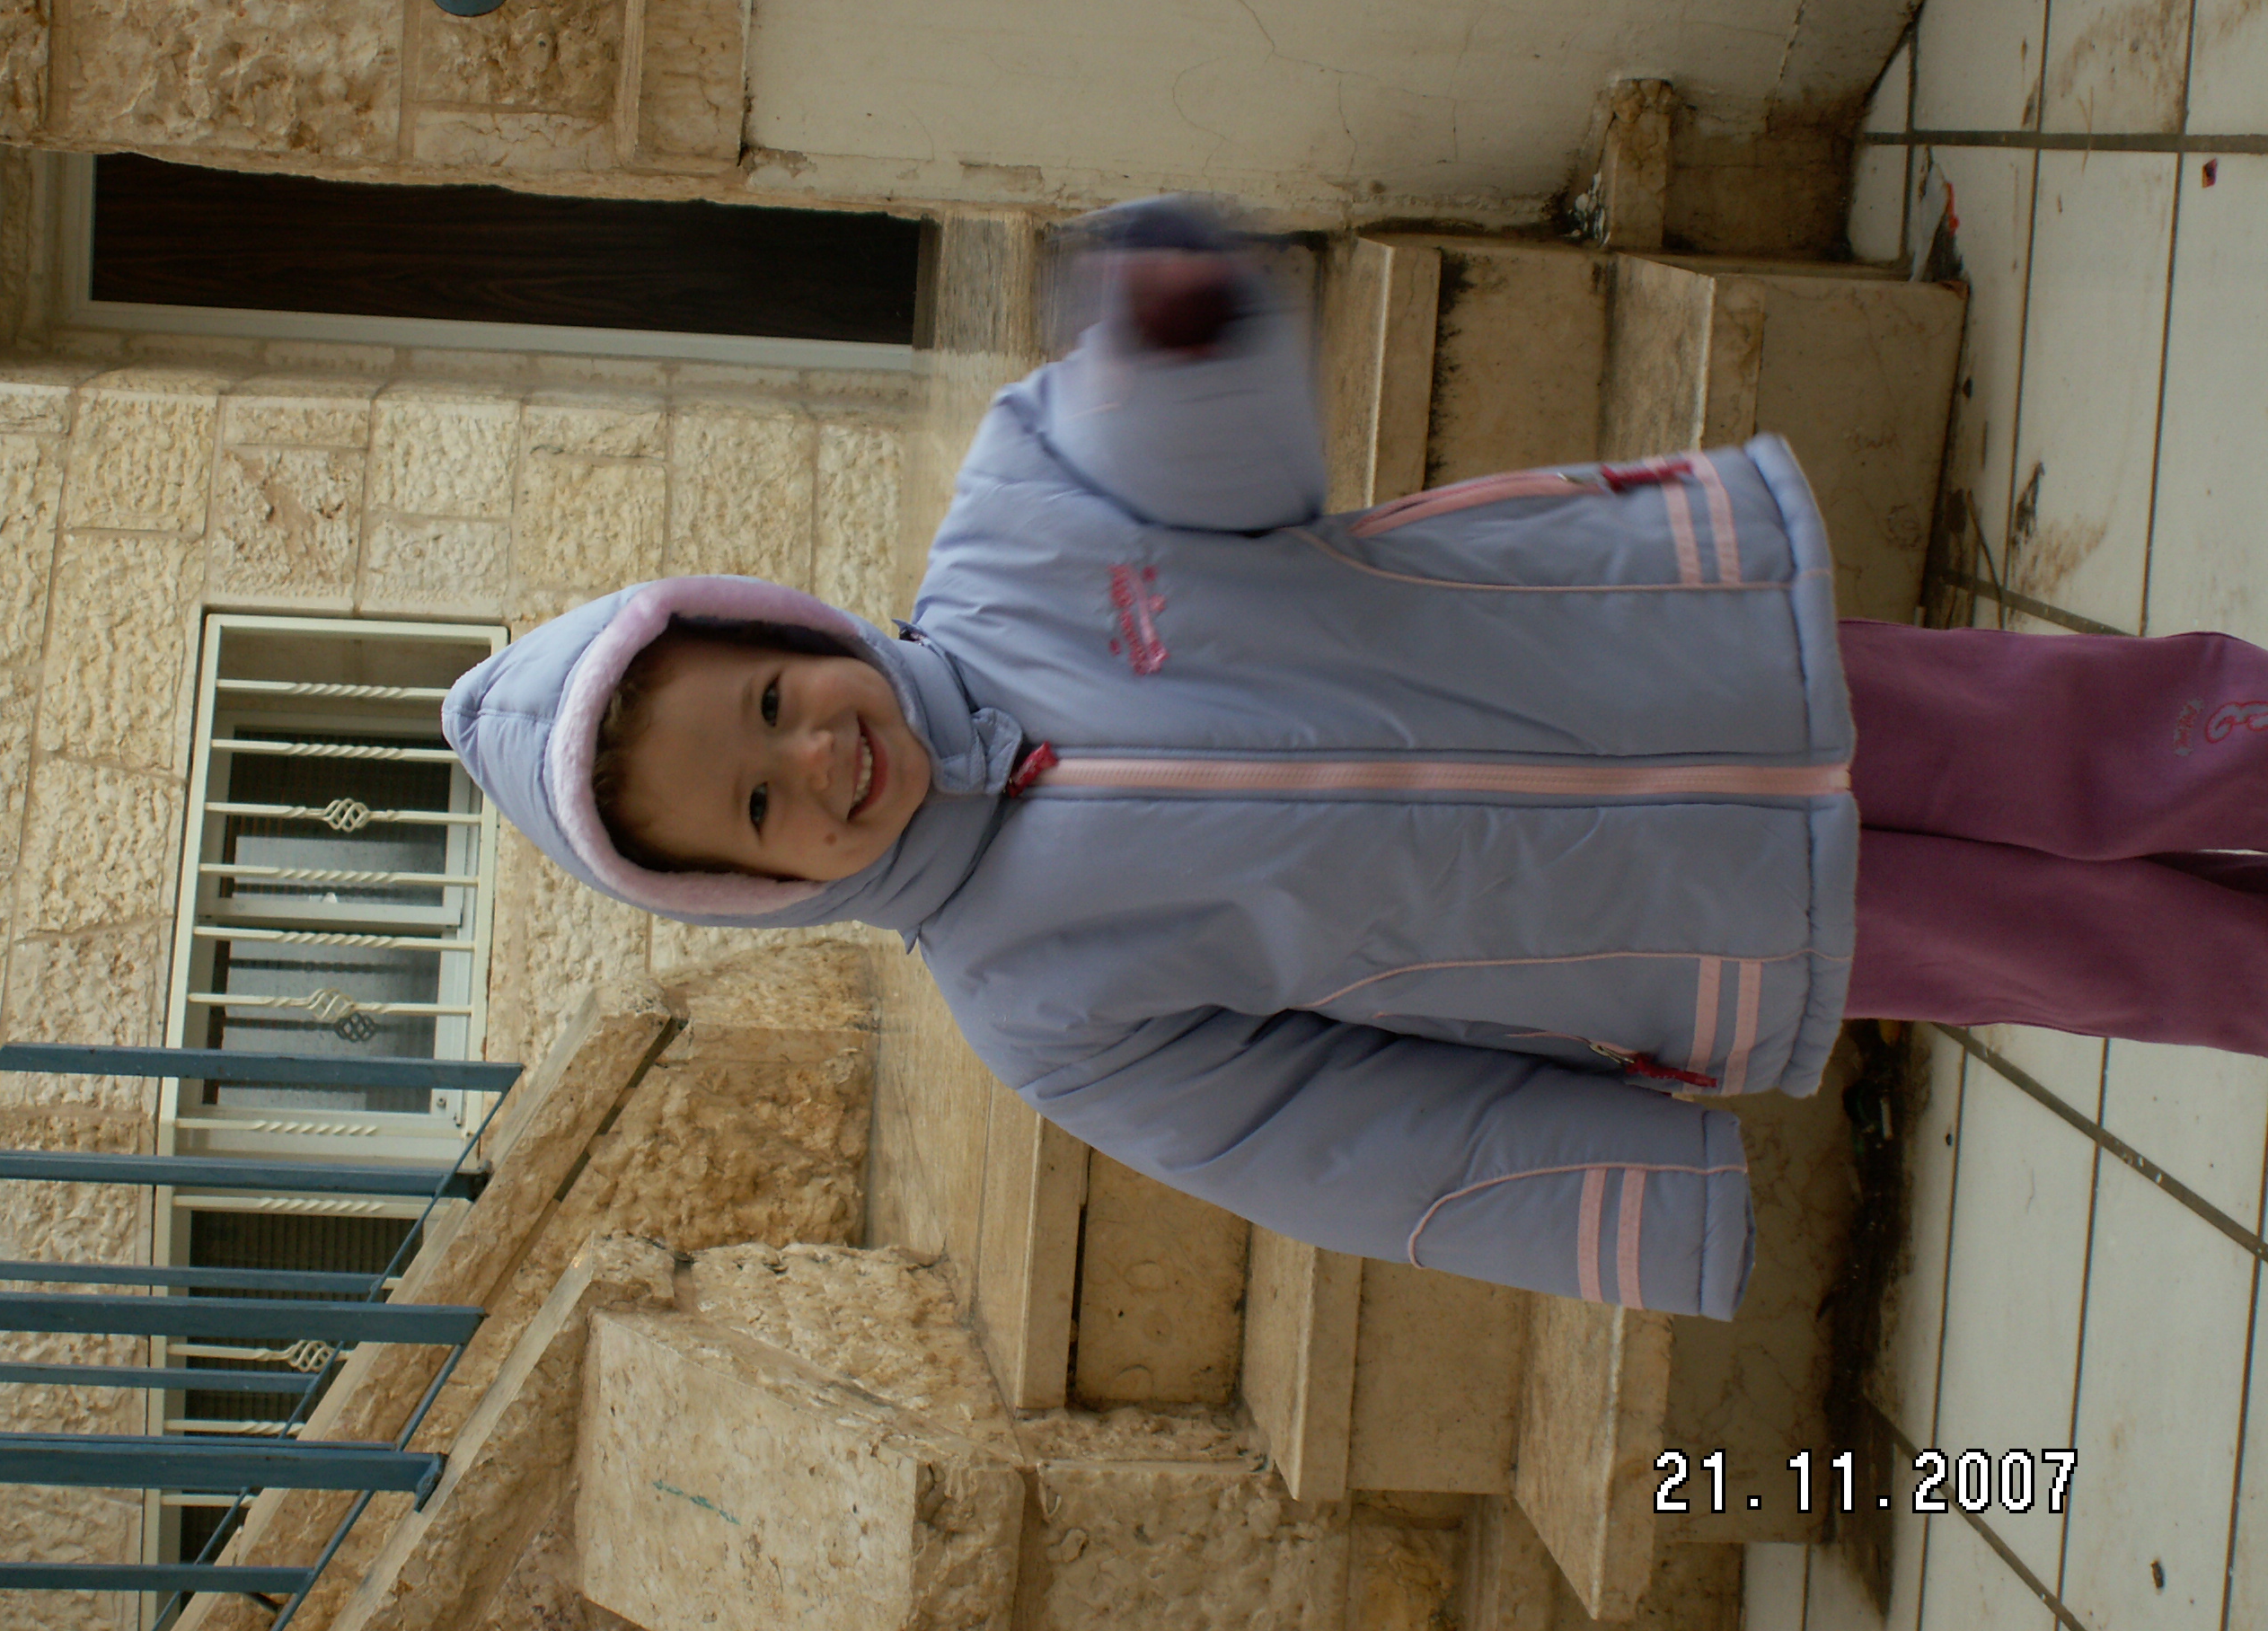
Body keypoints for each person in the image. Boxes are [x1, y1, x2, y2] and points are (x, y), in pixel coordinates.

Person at [445, 198, 2268, 1321]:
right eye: (761, 808)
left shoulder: (1025, 536)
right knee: (2082, 953)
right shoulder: (1038, 1007)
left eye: (773, 700)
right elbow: (1324, 1139)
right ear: (758, 891)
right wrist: (1603, 1200)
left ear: (782, 624)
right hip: (1688, 929)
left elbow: (1184, 449)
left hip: (1681, 663)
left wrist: (1178, 327)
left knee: (2098, 739)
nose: (818, 758)